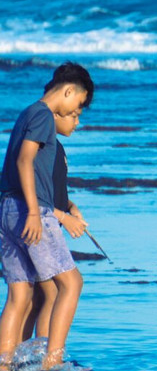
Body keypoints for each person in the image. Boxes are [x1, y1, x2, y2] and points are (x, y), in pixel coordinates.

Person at [0, 62, 93, 371]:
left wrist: (65, 208)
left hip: (7, 210)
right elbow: (25, 161)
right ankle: (52, 363)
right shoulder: (41, 114)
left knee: (21, 292)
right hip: (29, 210)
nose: (76, 115)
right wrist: (34, 213)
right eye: (78, 106)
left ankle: (4, 367)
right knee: (72, 283)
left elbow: (33, 171)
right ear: (68, 92)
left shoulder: (27, 112)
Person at [23, 108, 89, 342]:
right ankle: (43, 357)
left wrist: (71, 207)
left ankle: (27, 355)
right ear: (56, 115)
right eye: (74, 116)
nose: (77, 122)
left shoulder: (57, 148)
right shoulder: (43, 148)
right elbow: (35, 194)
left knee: (38, 296)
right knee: (51, 292)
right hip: (41, 224)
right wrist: (63, 217)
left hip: (50, 221)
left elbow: (54, 192)